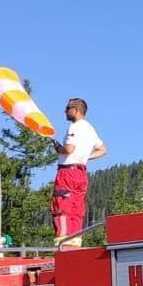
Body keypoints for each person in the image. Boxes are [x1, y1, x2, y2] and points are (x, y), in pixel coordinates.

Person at [51, 98, 107, 247]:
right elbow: (102, 150)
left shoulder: (75, 127)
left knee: (62, 207)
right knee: (77, 209)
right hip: (81, 173)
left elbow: (69, 149)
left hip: (67, 172)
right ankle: (75, 245)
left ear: (76, 110)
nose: (65, 111)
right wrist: (84, 156)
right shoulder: (90, 128)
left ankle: (61, 245)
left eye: (67, 108)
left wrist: (58, 148)